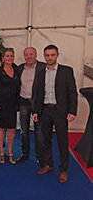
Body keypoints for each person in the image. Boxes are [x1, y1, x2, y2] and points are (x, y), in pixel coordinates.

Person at [33, 44, 77, 183]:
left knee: (62, 141)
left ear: (57, 55)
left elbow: (72, 92)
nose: (50, 58)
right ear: (44, 56)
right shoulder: (40, 72)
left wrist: (72, 111)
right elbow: (38, 93)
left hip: (60, 111)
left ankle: (63, 170)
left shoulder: (66, 71)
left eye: (52, 55)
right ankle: (49, 164)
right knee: (46, 139)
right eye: (47, 55)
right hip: (45, 110)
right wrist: (35, 110)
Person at [17, 47, 46, 166]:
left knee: (39, 132)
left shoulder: (43, 67)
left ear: (36, 55)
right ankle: (25, 153)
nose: (29, 57)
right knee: (24, 130)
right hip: (23, 102)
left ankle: (40, 156)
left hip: (37, 103)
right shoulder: (19, 68)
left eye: (31, 54)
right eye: (26, 55)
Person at [0, 48, 20, 165]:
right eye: (7, 56)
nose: (9, 58)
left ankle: (10, 152)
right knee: (1, 128)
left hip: (12, 104)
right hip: (0, 105)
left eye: (11, 56)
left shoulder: (16, 71)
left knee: (12, 129)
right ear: (3, 58)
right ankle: (1, 152)